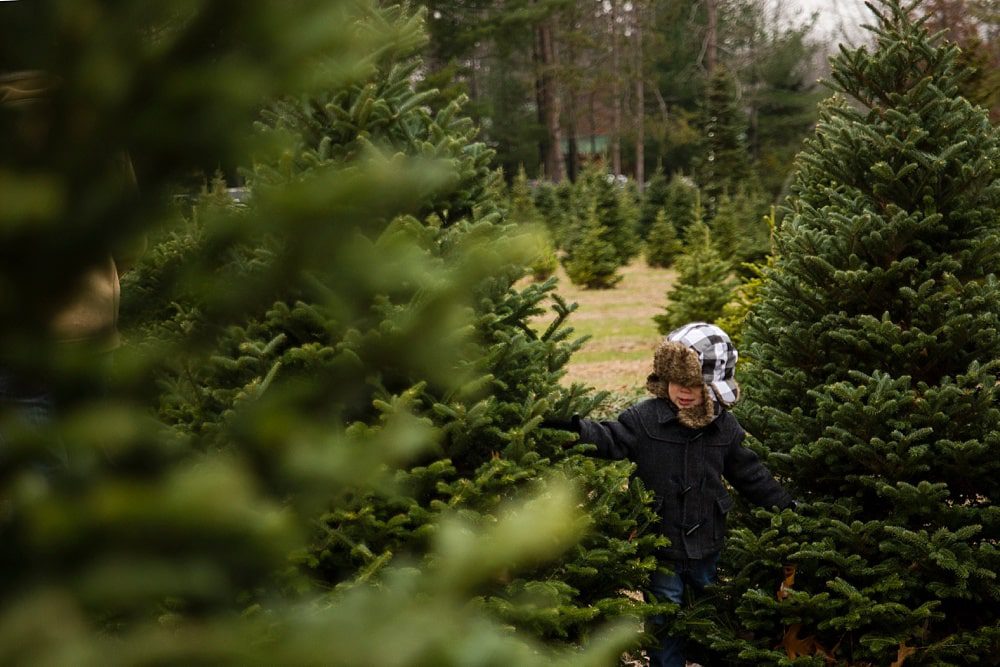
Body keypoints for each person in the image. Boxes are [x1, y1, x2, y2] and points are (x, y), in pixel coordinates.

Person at [547, 322, 794, 667]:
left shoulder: (724, 427)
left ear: (712, 387)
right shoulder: (644, 419)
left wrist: (784, 507)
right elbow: (609, 438)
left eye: (695, 385)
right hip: (660, 538)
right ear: (665, 378)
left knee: (703, 600)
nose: (685, 392)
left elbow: (750, 474)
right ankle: (667, 662)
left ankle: (703, 652)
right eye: (678, 382)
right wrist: (573, 430)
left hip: (708, 535)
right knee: (665, 605)